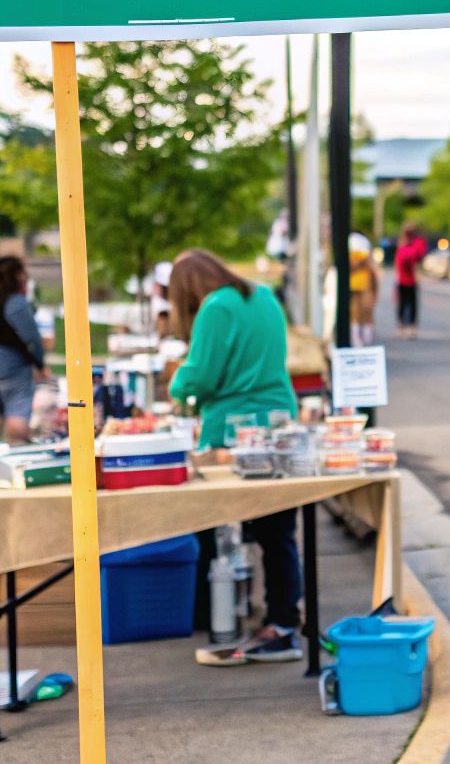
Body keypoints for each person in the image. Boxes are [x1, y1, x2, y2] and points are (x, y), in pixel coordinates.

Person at [166, 249, 303, 662]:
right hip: (278, 424)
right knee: (279, 533)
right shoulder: (263, 296)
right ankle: (283, 619)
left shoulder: (214, 307)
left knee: (209, 525)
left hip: (231, 432)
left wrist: (176, 385)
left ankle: (214, 616)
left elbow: (202, 375)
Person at [0, 255, 48, 444]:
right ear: (16, 275)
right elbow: (31, 337)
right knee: (17, 406)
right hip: (7, 361)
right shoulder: (14, 301)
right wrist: (40, 363)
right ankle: (16, 450)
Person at [394, 223, 428, 339]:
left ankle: (411, 328)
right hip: (403, 278)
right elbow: (399, 261)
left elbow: (418, 257)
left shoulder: (417, 243)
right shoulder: (402, 243)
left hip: (412, 279)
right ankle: (402, 327)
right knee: (403, 304)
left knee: (411, 304)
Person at [348, 233, 381, 345]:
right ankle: (357, 336)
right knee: (355, 311)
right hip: (355, 284)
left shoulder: (364, 258)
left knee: (365, 310)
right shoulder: (360, 251)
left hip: (364, 284)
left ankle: (362, 335)